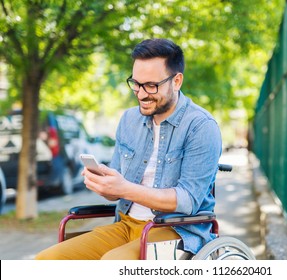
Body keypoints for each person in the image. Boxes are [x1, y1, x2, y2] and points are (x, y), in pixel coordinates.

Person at [35, 38, 222, 260]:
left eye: (151, 85)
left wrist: (124, 188)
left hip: (176, 230)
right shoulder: (129, 120)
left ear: (177, 81)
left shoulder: (201, 126)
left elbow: (187, 201)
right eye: (136, 83)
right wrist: (105, 185)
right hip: (125, 225)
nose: (141, 94)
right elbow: (118, 189)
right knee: (46, 262)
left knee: (112, 264)